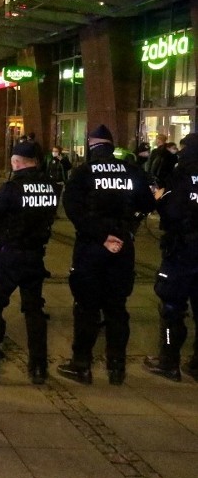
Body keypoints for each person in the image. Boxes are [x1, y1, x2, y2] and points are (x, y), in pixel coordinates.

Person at [57, 125, 156, 386]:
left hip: (91, 248)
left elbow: (73, 209)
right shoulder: (132, 171)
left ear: (91, 146)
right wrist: (123, 229)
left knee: (87, 308)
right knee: (116, 308)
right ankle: (116, 367)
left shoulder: (83, 173)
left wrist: (102, 235)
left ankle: (81, 365)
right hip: (123, 247)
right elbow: (148, 204)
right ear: (111, 146)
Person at [0, 141, 58, 385]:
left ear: (16, 162)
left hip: (8, 256)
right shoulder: (51, 187)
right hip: (35, 256)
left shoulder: (11, 188)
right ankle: (38, 367)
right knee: (34, 311)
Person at [143, 133, 198, 382]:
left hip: (182, 251)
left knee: (171, 308)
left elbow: (171, 208)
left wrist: (158, 199)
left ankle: (168, 361)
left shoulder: (181, 176)